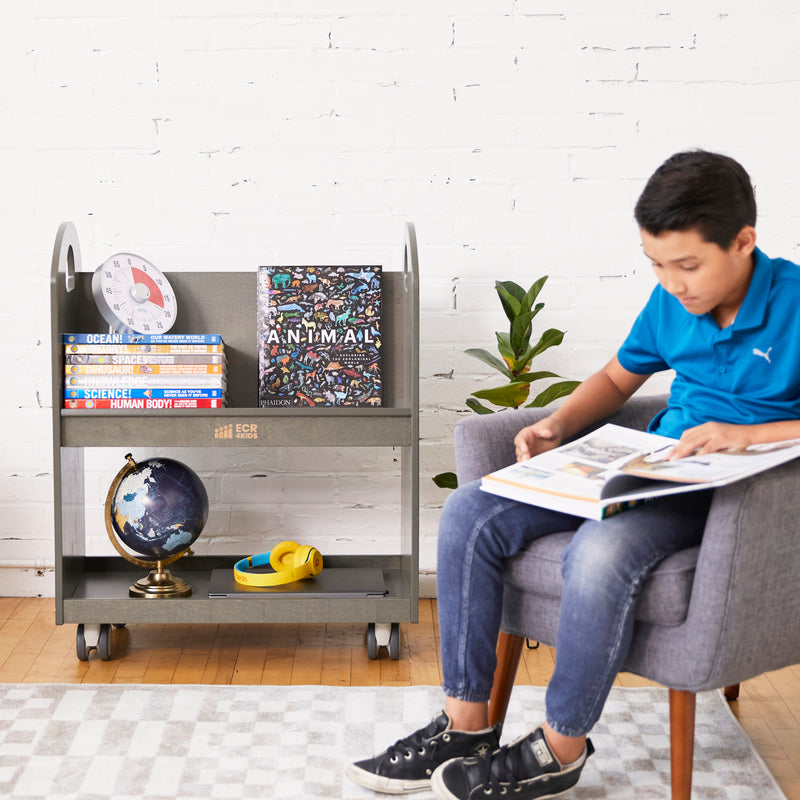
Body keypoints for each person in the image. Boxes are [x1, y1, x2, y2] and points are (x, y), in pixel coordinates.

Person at [347, 150, 800, 800]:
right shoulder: (671, 300)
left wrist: (746, 436)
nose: (674, 283)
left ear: (744, 242)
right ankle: (466, 723)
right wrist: (559, 425)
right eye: (657, 264)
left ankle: (560, 746)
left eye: (689, 265)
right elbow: (620, 377)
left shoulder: (797, 304)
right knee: (471, 510)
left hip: (731, 497)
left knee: (598, 553)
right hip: (650, 466)